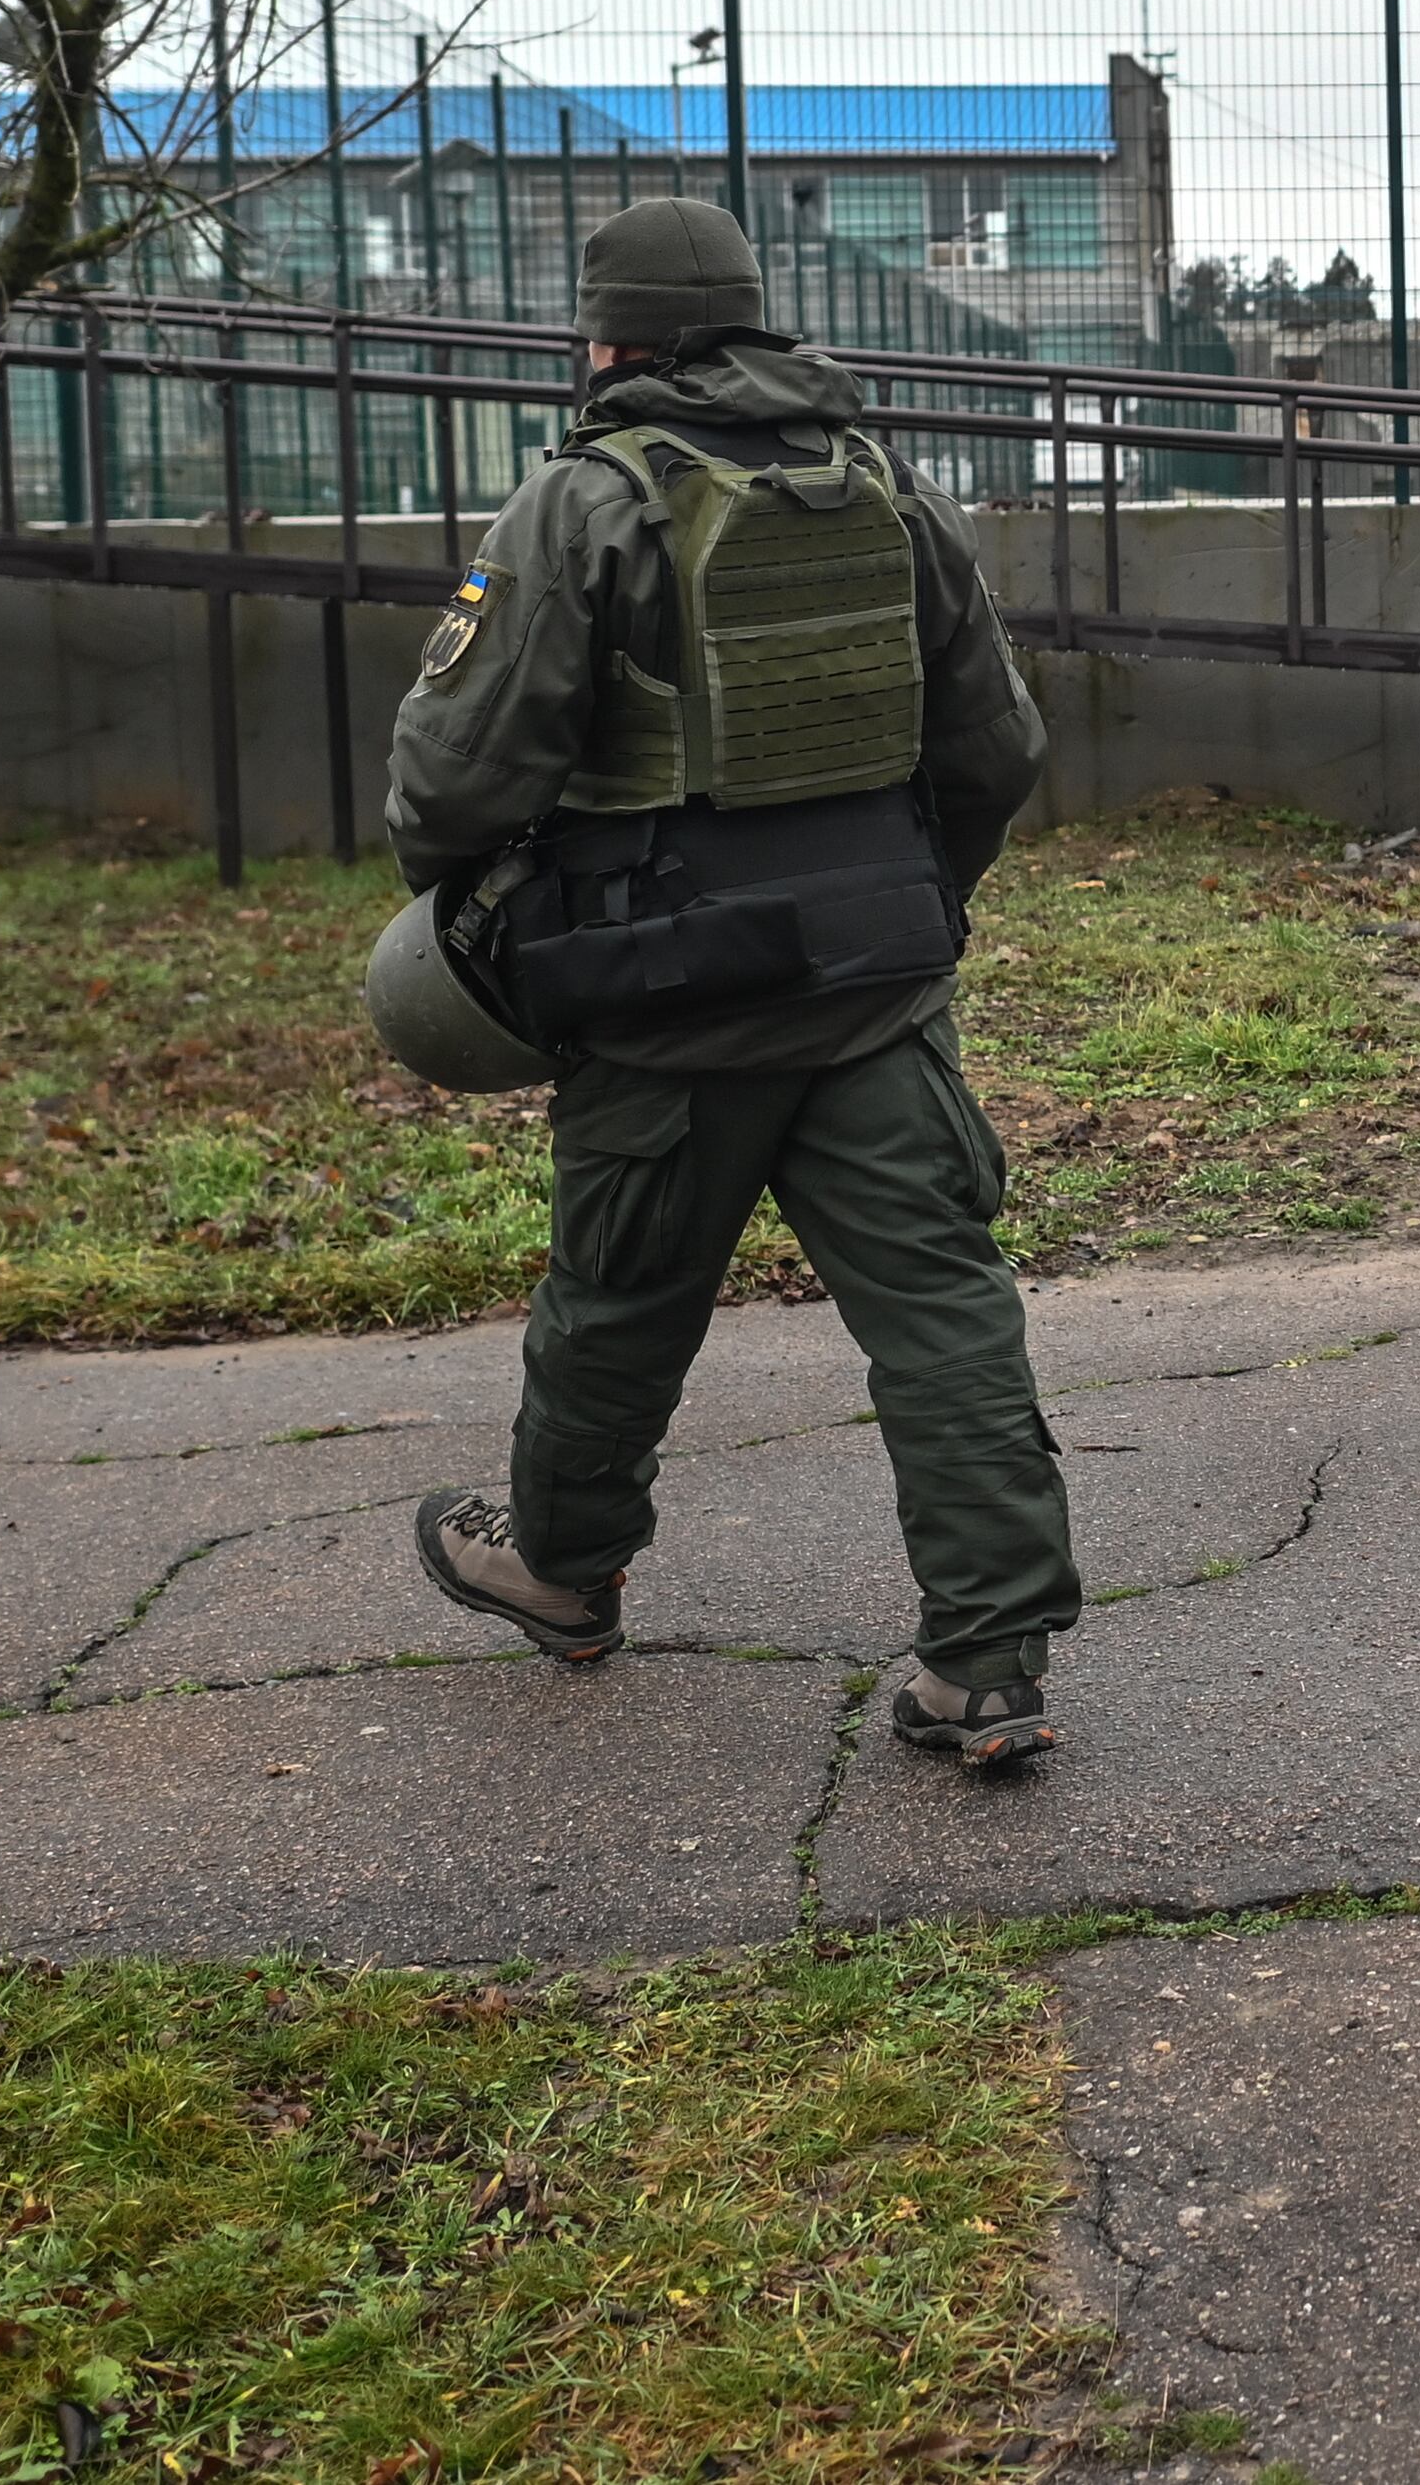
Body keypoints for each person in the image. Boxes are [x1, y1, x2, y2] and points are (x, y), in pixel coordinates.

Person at [381, 197, 1082, 1767]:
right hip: (873, 990)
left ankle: (563, 1570)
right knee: (944, 1308)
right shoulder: (892, 492)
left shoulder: (578, 506)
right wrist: (908, 902)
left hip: (664, 995)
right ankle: (989, 1658)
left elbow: (450, 781)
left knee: (618, 1302)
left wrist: (495, 901)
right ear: (759, 318)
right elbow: (1001, 751)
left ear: (610, 336)